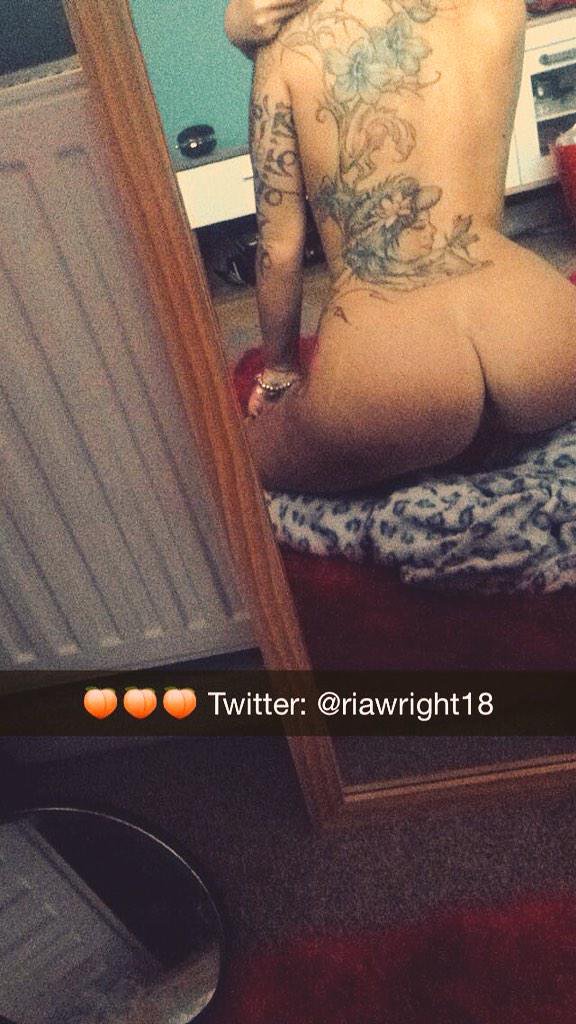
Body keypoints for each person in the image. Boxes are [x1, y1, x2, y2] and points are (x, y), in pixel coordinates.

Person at [225, 0, 576, 494]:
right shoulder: (499, 6)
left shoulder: (286, 46)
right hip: (545, 334)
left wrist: (279, 371)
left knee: (232, 457)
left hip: (389, 376)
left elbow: (280, 249)